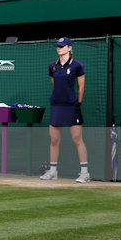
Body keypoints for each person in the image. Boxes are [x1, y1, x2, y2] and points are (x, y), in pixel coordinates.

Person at [40, 37, 90, 183]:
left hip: (72, 106)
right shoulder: (52, 66)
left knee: (77, 139)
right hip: (56, 106)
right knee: (54, 140)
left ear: (69, 48)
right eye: (58, 46)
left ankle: (85, 173)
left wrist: (77, 103)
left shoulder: (77, 66)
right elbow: (55, 84)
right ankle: (53, 171)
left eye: (62, 46)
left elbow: (81, 86)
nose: (59, 48)